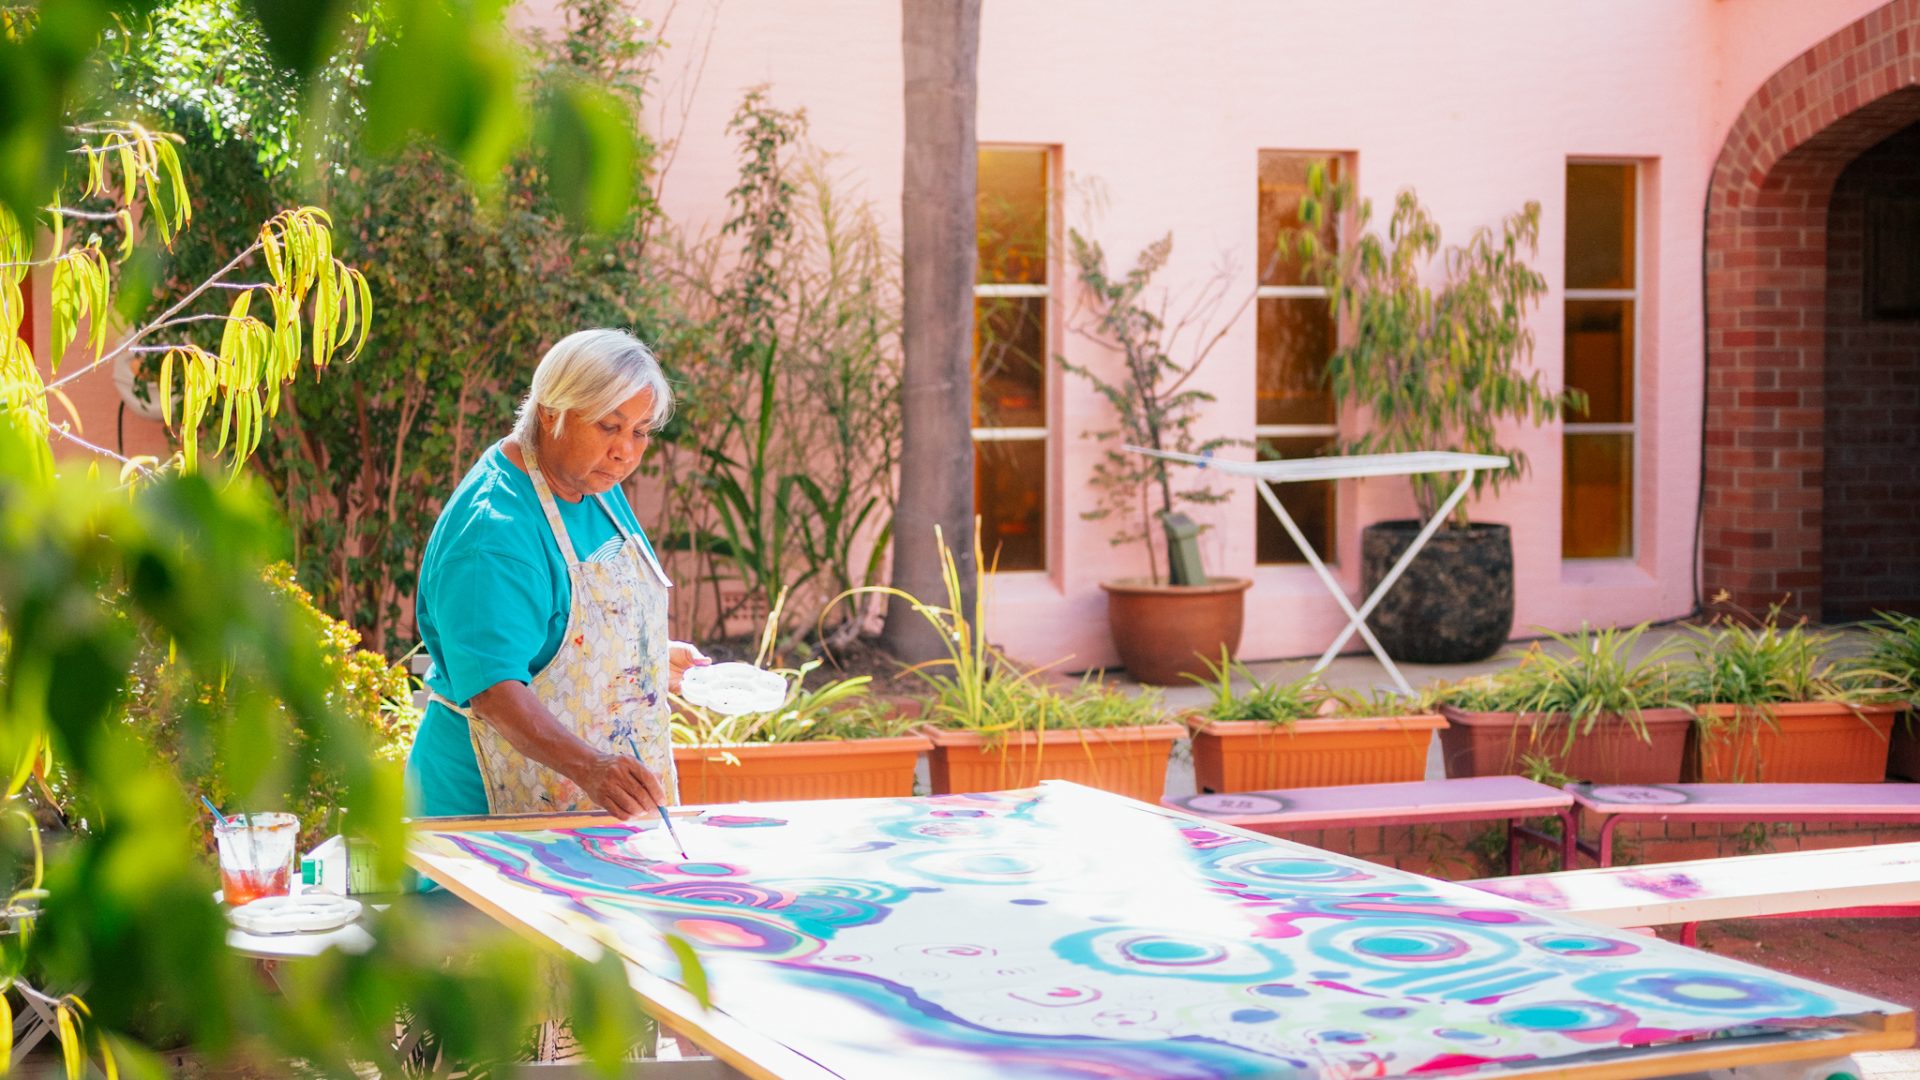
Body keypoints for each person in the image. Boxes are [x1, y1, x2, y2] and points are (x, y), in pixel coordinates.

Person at [404, 328, 705, 820]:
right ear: (550, 411)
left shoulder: (590, 480)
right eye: (609, 426)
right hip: (485, 812)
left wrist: (646, 658)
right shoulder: (492, 535)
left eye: (640, 431)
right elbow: (494, 691)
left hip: (579, 802)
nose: (625, 451)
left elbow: (561, 630)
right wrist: (590, 767)